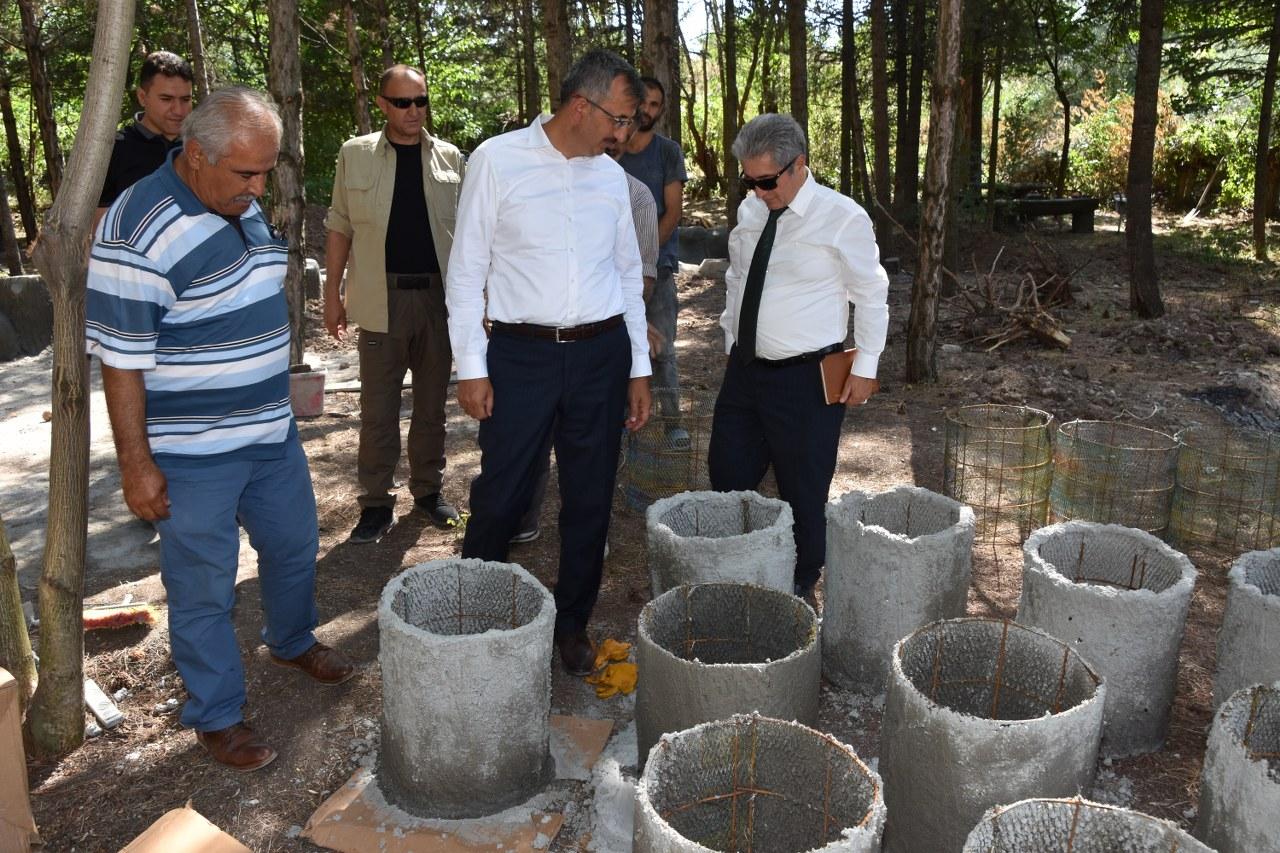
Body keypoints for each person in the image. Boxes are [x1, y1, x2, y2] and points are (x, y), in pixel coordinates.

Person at [87, 87, 354, 773]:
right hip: (194, 452)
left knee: (294, 546)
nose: (259, 186)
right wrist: (135, 463)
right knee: (203, 582)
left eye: (265, 171)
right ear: (197, 154)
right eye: (246, 174)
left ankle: (290, 639)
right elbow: (121, 360)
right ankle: (217, 714)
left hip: (269, 432)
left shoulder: (236, 196)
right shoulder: (136, 226)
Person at [446, 49, 652, 675]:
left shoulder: (612, 179)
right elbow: (466, 271)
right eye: (618, 118)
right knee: (503, 493)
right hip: (520, 355)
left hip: (601, 354)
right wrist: (471, 367)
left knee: (590, 499)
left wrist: (638, 366)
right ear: (580, 106)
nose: (624, 133)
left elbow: (625, 275)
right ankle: (476, 614)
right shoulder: (497, 161)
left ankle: (571, 627)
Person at [708, 113, 889, 603]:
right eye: (750, 180)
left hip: (806, 382)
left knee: (804, 491)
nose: (759, 191)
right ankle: (736, 568)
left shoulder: (842, 216)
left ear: (799, 165)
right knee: (726, 477)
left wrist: (867, 367)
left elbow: (871, 293)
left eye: (767, 181)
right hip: (744, 374)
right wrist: (731, 342)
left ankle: (801, 582)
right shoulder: (751, 211)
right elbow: (738, 280)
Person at [324, 65, 463, 544]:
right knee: (378, 408)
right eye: (402, 102)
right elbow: (340, 225)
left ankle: (428, 491)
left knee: (431, 407)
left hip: (436, 301)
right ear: (382, 104)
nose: (413, 111)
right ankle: (376, 503)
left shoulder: (450, 158)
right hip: (380, 298)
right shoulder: (355, 155)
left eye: (420, 101)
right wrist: (332, 294)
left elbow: (467, 237)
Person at [512, 121, 661, 545]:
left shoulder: (634, 194)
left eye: (622, 129)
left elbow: (640, 274)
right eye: (610, 125)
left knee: (592, 455)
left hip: (602, 339)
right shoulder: (527, 175)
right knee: (530, 444)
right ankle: (523, 515)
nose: (613, 137)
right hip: (534, 346)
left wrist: (633, 340)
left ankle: (591, 534)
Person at [618, 76, 688, 446]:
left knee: (662, 349)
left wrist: (643, 260)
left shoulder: (667, 152)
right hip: (611, 274)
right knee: (616, 350)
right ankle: (622, 424)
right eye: (642, 102)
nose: (647, 111)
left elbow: (672, 213)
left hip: (657, 270)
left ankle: (673, 422)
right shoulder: (611, 148)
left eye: (655, 105)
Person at [96, 51, 195, 225]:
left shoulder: (201, 147)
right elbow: (100, 227)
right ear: (142, 97)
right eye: (166, 99)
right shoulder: (114, 150)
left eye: (185, 99)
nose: (178, 110)